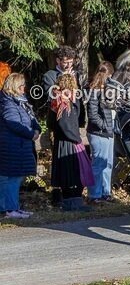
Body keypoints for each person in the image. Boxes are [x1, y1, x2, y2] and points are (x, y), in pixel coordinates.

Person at [49, 72, 93, 211]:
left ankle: (74, 200)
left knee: (75, 171)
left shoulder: (68, 100)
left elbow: (79, 119)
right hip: (67, 141)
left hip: (67, 139)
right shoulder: (61, 101)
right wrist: (75, 138)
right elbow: (63, 123)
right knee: (70, 172)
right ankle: (71, 202)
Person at [0, 73, 40, 219]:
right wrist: (31, 134)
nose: (24, 88)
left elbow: (32, 119)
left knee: (16, 178)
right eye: (22, 85)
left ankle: (14, 207)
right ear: (15, 86)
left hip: (19, 145)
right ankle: (8, 209)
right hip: (10, 146)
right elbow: (14, 123)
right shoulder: (7, 103)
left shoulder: (21, 102)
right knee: (9, 178)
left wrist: (37, 129)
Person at [86, 62, 117, 203]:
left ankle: (106, 192)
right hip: (98, 133)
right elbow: (93, 115)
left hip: (109, 132)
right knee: (98, 164)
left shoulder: (108, 91)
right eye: (109, 76)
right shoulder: (94, 91)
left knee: (108, 163)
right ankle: (94, 195)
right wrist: (104, 126)